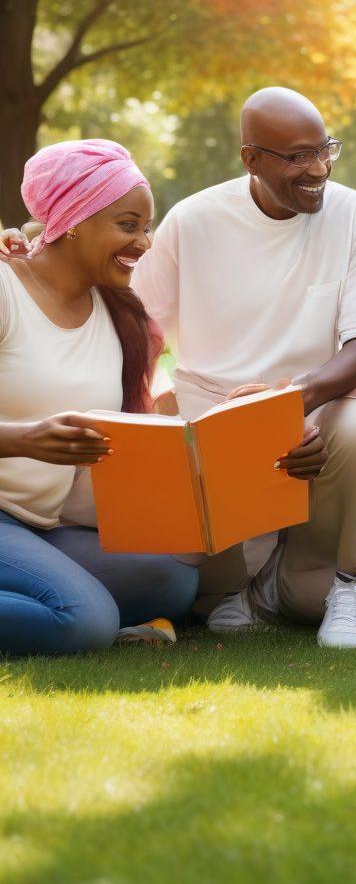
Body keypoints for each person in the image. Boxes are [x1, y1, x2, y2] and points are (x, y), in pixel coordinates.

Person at [132, 87, 356, 648]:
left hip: (320, 406)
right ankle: (240, 591)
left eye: (324, 150)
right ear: (251, 158)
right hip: (214, 416)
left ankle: (345, 582)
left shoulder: (355, 215)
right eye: (296, 156)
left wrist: (287, 404)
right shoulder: (194, 220)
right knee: (195, 593)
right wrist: (33, 252)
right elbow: (136, 326)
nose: (317, 168)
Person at [0, 139, 198, 655]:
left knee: (171, 580)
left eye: (146, 226)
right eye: (128, 225)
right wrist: (24, 440)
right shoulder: (5, 290)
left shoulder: (117, 313)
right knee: (84, 621)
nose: (146, 242)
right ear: (71, 220)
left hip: (41, 522)